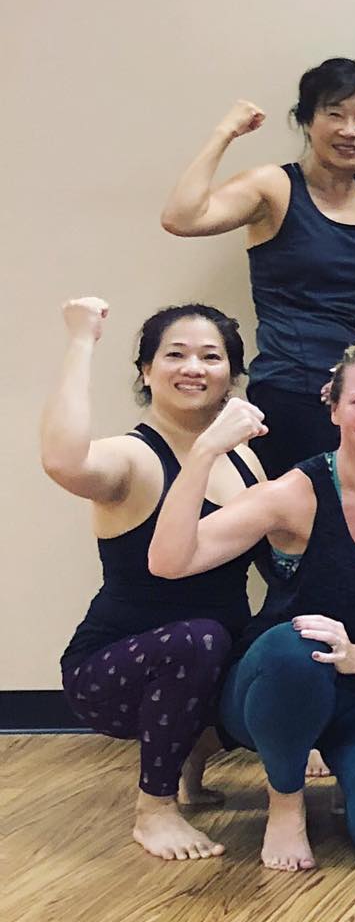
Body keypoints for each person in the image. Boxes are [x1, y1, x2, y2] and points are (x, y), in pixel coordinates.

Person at [148, 338, 355, 872]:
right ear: (334, 408)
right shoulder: (295, 492)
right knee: (302, 644)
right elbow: (168, 561)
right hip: (278, 679)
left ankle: (343, 760)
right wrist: (203, 452)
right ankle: (286, 801)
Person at [43, 297, 265, 861]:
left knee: (267, 643)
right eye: (175, 354)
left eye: (211, 356)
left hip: (208, 664)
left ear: (232, 376)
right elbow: (63, 461)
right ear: (146, 371)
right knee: (199, 638)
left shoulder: (245, 461)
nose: (194, 367)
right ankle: (155, 809)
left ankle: (190, 764)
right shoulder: (132, 457)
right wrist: (81, 339)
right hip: (111, 675)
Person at [160, 59, 355, 473]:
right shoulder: (274, 187)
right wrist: (225, 133)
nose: (350, 130)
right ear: (307, 121)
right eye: (335, 114)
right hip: (288, 391)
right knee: (294, 509)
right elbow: (181, 218)